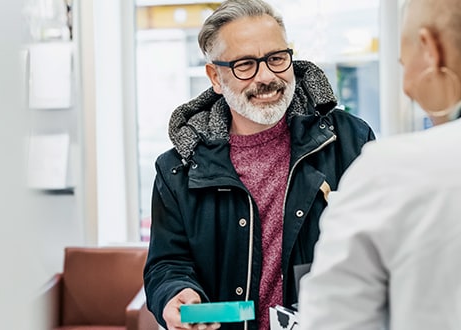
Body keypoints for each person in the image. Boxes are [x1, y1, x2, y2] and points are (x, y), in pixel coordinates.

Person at [298, 0, 461, 329]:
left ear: (430, 49)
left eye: (403, 62)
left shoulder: (390, 172)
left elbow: (332, 321)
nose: (406, 86)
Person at [143, 0, 376, 329]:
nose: (267, 76)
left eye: (276, 58)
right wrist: (175, 293)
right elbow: (167, 264)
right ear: (215, 76)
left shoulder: (349, 141)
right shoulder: (179, 169)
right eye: (245, 65)